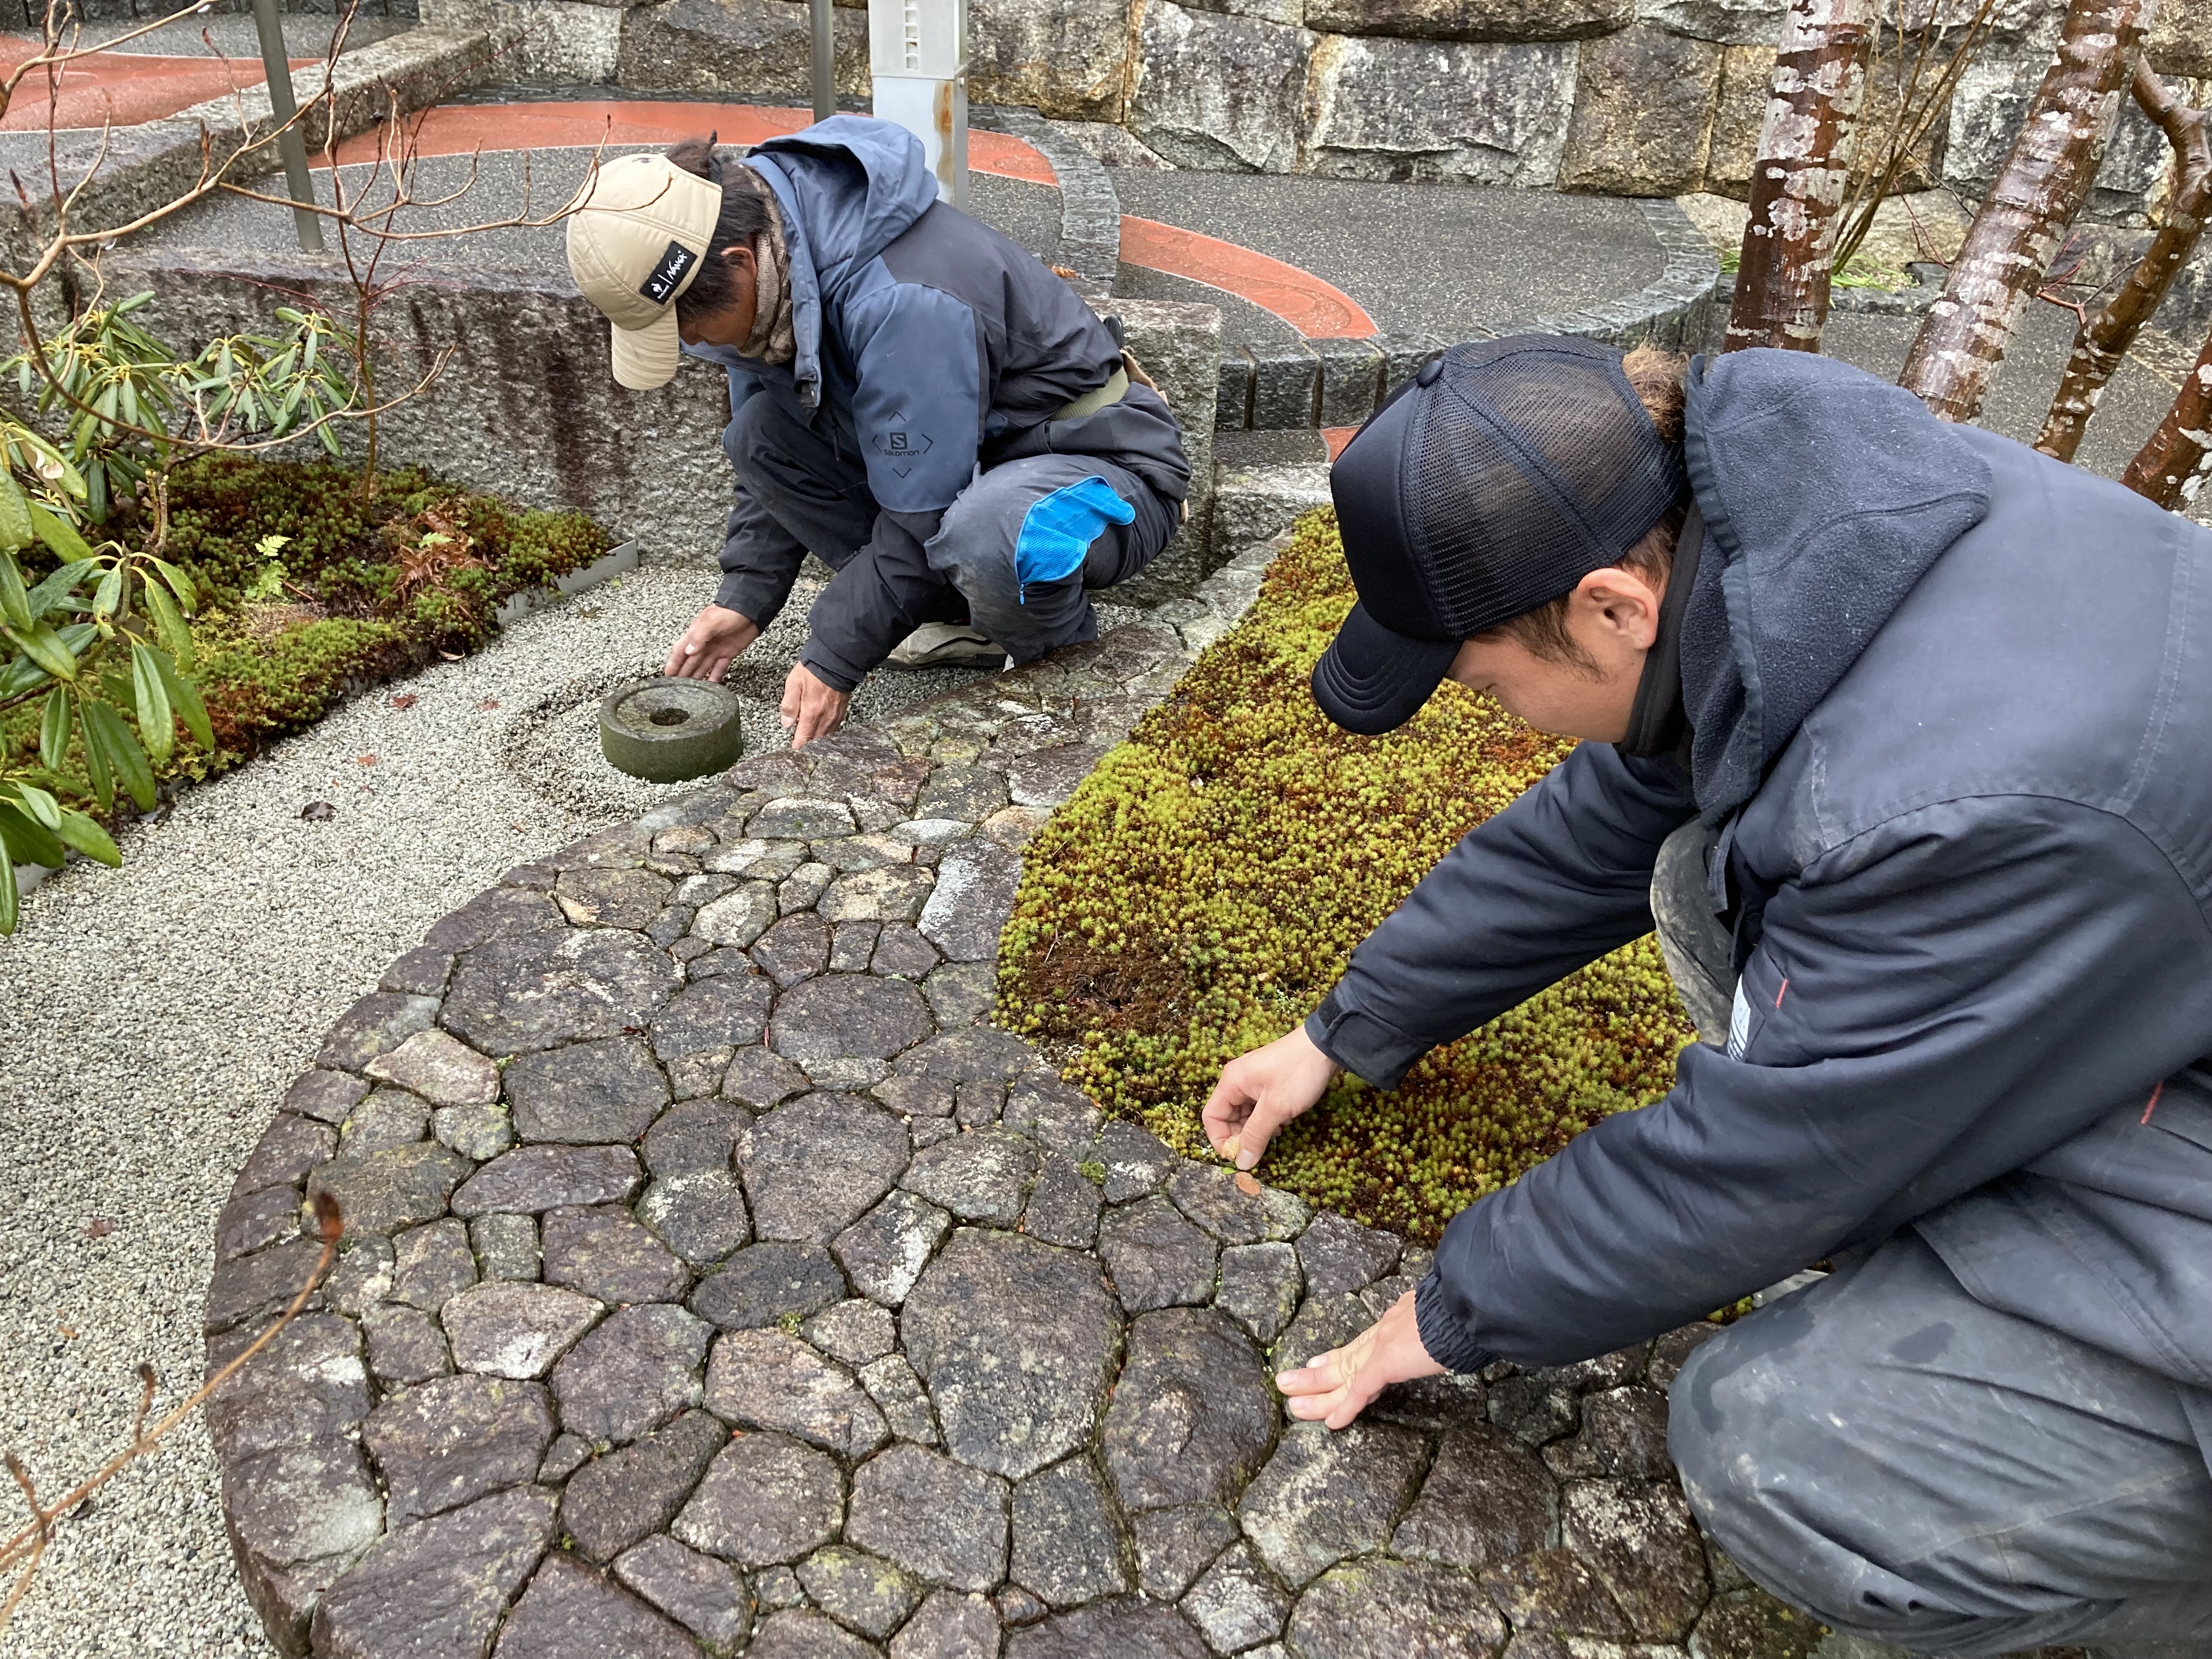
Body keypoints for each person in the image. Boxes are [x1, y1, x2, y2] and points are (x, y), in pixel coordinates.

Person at [1204, 336, 2212, 1657]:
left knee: (1778, 1448)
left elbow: (1772, 1156)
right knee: (1701, 878)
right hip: (2150, 983)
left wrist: (1456, 1308)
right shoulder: (1811, 541)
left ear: (1615, 608)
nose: (1495, 717)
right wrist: (1346, 1028)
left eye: (1484, 683)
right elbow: (1614, 817)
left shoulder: (1929, 807)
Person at [563, 117, 1190, 746]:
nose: (691, 341)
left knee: (989, 531)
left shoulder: (902, 300)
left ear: (739, 265)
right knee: (757, 436)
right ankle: (966, 614)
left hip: (1100, 472)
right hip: (977, 470)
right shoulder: (770, 277)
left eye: (686, 326)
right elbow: (780, 452)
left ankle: (1065, 682)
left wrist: (833, 655)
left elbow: (924, 512)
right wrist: (747, 595)